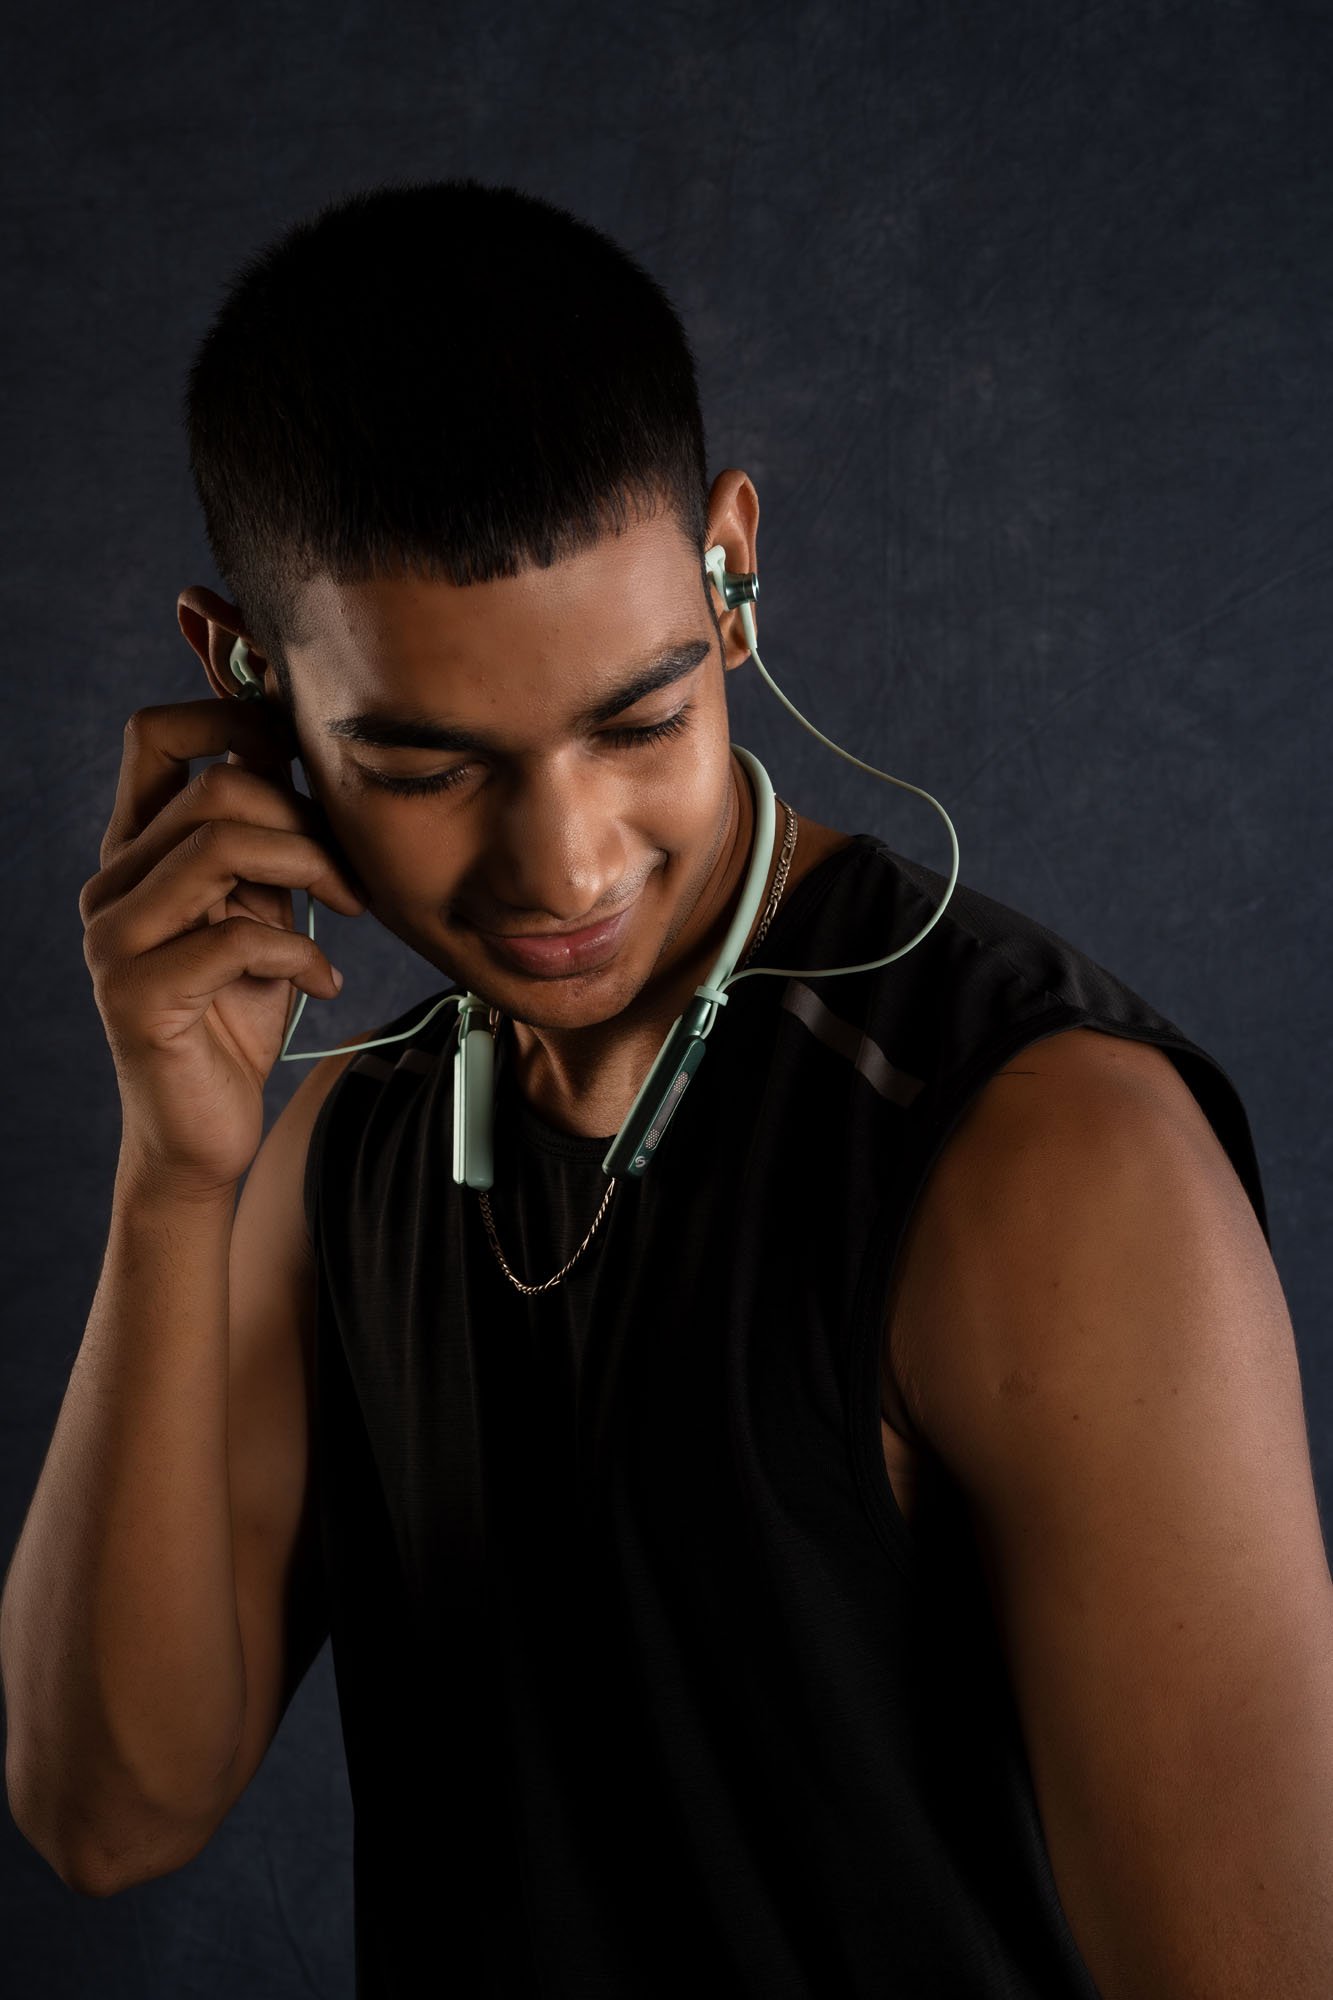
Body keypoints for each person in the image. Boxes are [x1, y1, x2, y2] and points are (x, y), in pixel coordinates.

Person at [6, 177, 1330, 2000]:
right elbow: (102, 1814)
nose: (564, 866)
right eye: (426, 768)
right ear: (243, 679)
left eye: (638, 720)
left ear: (728, 569)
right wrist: (170, 1179)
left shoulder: (1042, 1154)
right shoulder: (352, 1144)